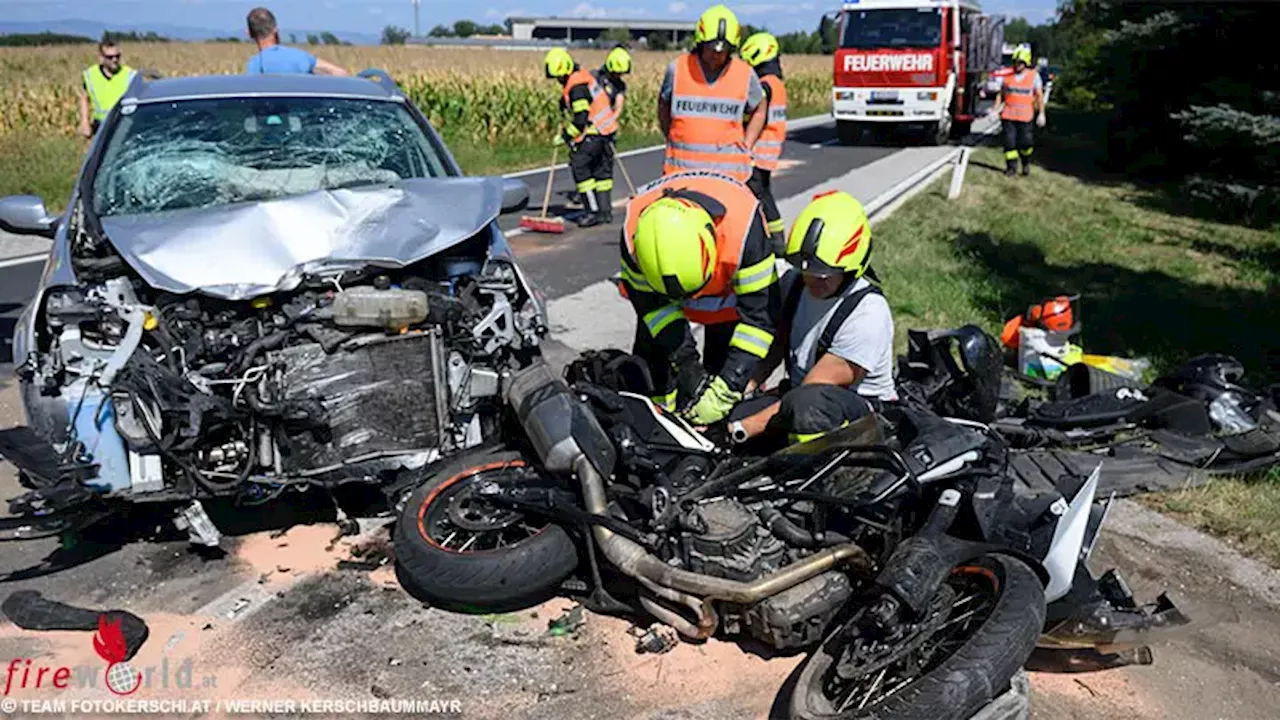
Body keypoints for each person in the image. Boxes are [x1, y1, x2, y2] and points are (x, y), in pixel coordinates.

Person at [725, 190, 897, 446]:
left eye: (823, 275)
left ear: (852, 267)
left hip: (862, 415)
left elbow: (813, 389)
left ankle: (828, 480)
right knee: (739, 414)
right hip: (800, 397)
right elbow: (776, 347)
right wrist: (740, 391)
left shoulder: (867, 314)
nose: (812, 280)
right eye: (807, 271)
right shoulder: (796, 284)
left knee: (806, 408)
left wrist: (742, 429)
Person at [619, 170, 779, 425]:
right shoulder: (632, 237)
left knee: (721, 387)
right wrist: (686, 364)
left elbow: (759, 320)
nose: (692, 300)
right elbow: (655, 310)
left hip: (730, 307)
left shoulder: (745, 231)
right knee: (652, 367)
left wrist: (727, 389)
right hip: (661, 302)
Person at [658, 4, 767, 183]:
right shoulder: (677, 69)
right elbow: (663, 105)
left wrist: (747, 145)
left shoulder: (745, 74)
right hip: (681, 174)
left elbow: (760, 107)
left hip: (728, 178)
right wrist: (672, 136)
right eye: (711, 49)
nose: (716, 55)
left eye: (722, 51)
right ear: (700, 44)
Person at [545, 48, 620, 227]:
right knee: (602, 175)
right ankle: (605, 212)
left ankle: (592, 212)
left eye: (559, 78)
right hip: (607, 134)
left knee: (581, 169)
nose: (558, 81)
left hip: (592, 136)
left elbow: (580, 121)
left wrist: (564, 137)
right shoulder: (583, 79)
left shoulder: (576, 88)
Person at [739, 32, 788, 252]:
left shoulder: (764, 86)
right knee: (764, 194)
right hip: (769, 150)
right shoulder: (776, 82)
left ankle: (771, 243)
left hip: (759, 150)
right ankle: (776, 240)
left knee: (755, 196)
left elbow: (756, 115)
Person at [244, 7, 348, 76]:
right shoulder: (299, 57)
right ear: (275, 29)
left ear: (249, 33)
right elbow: (341, 74)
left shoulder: (254, 65)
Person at [990, 46, 1045, 177]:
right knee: (1009, 143)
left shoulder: (1033, 76)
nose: (1017, 65)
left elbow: (1039, 96)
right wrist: (995, 110)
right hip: (1008, 114)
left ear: (1026, 63)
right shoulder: (1007, 76)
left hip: (1026, 116)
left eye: (1020, 63)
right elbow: (1001, 94)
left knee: (1026, 143)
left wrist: (1042, 113)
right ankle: (1011, 168)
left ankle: (1025, 162)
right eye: (1016, 62)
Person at [78, 40, 137, 138]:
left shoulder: (129, 74)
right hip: (100, 126)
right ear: (101, 58)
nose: (114, 60)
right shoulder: (90, 75)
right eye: (110, 57)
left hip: (122, 125)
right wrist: (85, 122)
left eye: (117, 56)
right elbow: (84, 97)